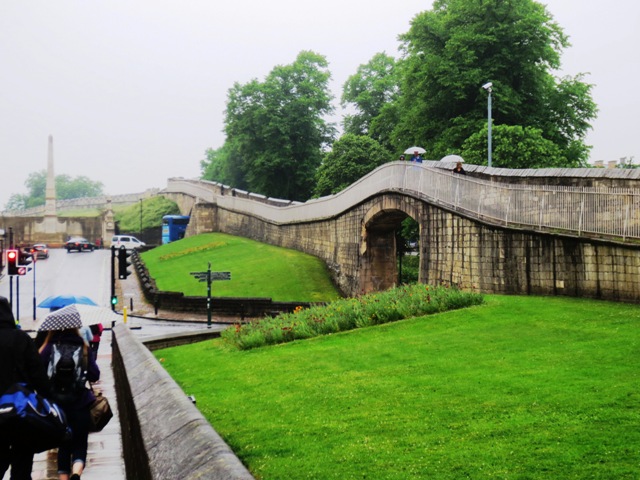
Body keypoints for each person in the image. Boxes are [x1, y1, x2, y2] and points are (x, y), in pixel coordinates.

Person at [0, 296, 51, 480]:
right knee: (22, 462)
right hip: (20, 410)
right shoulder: (21, 339)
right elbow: (38, 375)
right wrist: (49, 401)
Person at [39, 329, 100, 480]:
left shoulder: (48, 347)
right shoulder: (83, 346)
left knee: (63, 446)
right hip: (80, 403)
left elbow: (38, 373)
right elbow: (94, 374)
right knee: (80, 444)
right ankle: (76, 472)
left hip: (58, 407)